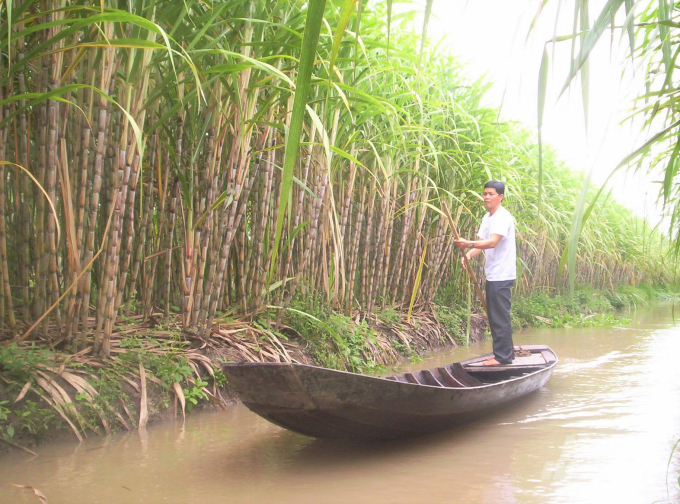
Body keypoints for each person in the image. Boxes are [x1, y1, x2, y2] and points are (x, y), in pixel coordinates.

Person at [454, 181, 517, 366]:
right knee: (495, 315)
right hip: (493, 274)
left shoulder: (502, 217)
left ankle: (503, 358)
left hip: (502, 275)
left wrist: (468, 244)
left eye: (491, 194)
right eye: (485, 194)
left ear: (501, 196)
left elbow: (491, 242)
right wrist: (468, 255)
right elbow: (481, 243)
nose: (487, 197)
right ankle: (503, 354)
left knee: (500, 316)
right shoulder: (487, 217)